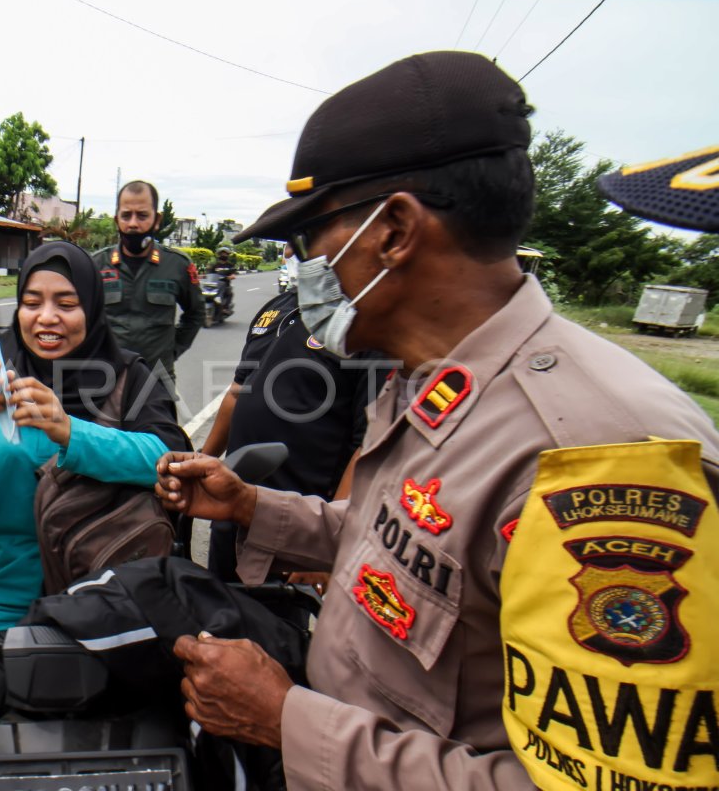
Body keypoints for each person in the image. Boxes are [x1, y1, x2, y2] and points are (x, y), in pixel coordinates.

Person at [155, 51, 719, 790]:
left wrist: (287, 718)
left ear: (392, 231)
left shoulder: (595, 455)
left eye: (311, 239)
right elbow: (398, 550)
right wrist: (256, 507)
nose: (308, 268)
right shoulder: (431, 379)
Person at [0, 241, 190, 716]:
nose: (46, 317)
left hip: (104, 599)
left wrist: (71, 430)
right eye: (31, 303)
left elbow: (167, 456)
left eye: (66, 304)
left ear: (92, 308)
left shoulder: (129, 376)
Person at [199, 281, 388, 582]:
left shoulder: (362, 323)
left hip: (294, 520)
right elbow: (238, 392)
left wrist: (326, 544)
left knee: (274, 621)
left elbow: (368, 443)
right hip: (230, 502)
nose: (293, 252)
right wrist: (201, 461)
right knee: (215, 609)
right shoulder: (277, 309)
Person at [91, 180, 204, 388]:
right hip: (106, 380)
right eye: (126, 215)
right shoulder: (96, 265)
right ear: (117, 220)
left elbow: (196, 314)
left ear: (157, 219)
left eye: (142, 215)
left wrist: (172, 351)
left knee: (158, 423)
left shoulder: (177, 265)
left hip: (157, 381)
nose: (133, 223)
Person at [211, 244, 237, 315]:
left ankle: (225, 308)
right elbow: (209, 274)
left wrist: (231, 276)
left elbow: (233, 274)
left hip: (225, 285)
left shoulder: (230, 265)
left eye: (225, 254)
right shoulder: (215, 265)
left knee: (230, 293)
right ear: (219, 255)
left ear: (228, 255)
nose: (223, 255)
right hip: (214, 284)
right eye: (222, 253)